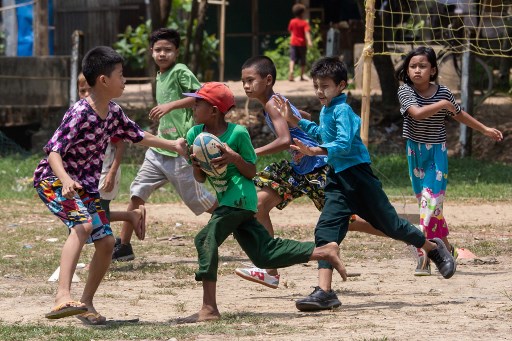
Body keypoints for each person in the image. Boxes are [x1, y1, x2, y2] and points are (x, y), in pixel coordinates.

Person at [278, 56, 456, 312]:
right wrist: (297, 122)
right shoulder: (327, 109)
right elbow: (320, 133)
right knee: (326, 230)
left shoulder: (343, 110)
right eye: (316, 85)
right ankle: (324, 292)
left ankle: (433, 248)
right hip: (337, 179)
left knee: (392, 226)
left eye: (325, 86)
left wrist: (315, 151)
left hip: (359, 178)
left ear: (341, 85)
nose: (319, 91)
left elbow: (343, 143)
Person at [34, 46, 188, 324]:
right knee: (81, 226)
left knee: (106, 242)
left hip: (84, 187)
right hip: (54, 180)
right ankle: (62, 297)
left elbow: (138, 135)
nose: (125, 79)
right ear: (103, 80)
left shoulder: (113, 112)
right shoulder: (80, 112)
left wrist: (173, 145)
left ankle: (85, 303)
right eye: (121, 74)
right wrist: (67, 180)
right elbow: (54, 151)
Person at [176, 82, 346, 324]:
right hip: (227, 199)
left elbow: (250, 171)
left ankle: (209, 308)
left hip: (241, 197)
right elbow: (201, 177)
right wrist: (196, 163)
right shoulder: (195, 135)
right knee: (264, 255)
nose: (193, 106)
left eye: (198, 102)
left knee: (204, 239)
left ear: (213, 109)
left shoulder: (237, 134)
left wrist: (233, 157)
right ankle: (323, 251)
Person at [236, 55, 388, 289]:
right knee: (259, 206)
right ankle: (270, 270)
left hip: (318, 167)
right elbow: (303, 118)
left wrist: (252, 152)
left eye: (250, 80)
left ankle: (404, 234)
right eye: (243, 81)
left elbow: (284, 139)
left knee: (350, 220)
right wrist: (297, 123)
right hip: (299, 169)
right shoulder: (277, 101)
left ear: (267, 80)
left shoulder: (271, 104)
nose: (246, 86)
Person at [395, 46, 503, 275]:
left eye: (422, 66)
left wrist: (484, 129)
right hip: (415, 155)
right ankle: (448, 248)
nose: (417, 70)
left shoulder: (442, 92)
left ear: (432, 70)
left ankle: (424, 256)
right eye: (412, 66)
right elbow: (416, 113)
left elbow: (460, 113)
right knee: (430, 208)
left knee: (430, 204)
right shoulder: (405, 92)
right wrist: (444, 105)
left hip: (436, 154)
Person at [113, 28, 217, 261]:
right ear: (151, 52)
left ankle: (242, 224)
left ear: (176, 52)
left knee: (201, 201)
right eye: (158, 50)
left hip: (181, 151)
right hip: (160, 149)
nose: (162, 54)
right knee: (137, 192)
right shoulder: (159, 75)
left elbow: (202, 97)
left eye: (168, 50)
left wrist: (170, 106)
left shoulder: (180, 71)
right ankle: (124, 246)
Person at [78, 73, 146, 231]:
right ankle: (131, 216)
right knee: (93, 211)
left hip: (106, 171)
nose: (87, 94)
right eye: (82, 91)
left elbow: (120, 145)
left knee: (98, 212)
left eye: (90, 90)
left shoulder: (109, 115)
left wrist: (112, 173)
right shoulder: (79, 113)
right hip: (87, 175)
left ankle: (104, 246)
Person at [288, 3, 312, 81]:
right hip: (302, 44)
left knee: (292, 58)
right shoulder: (304, 23)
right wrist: (309, 41)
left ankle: (291, 71)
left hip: (293, 42)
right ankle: (301, 76)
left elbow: (290, 31)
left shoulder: (292, 21)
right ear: (302, 13)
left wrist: (292, 38)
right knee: (302, 60)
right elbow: (307, 33)